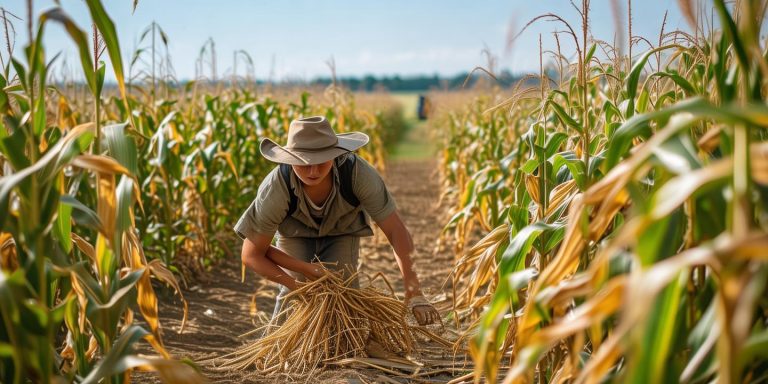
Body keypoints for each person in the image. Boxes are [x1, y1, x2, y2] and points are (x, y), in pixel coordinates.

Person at [234, 116, 440, 331]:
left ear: (335, 155)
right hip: (294, 234)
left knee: (345, 297)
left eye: (321, 161)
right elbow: (252, 254)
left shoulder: (358, 174)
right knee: (292, 299)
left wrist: (414, 291)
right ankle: (279, 354)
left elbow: (396, 231)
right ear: (290, 158)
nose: (313, 171)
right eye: (303, 163)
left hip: (343, 232)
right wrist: (299, 284)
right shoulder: (276, 188)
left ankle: (346, 349)